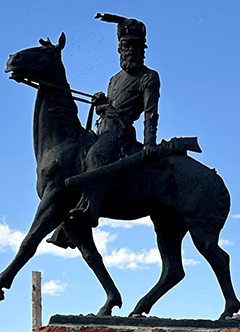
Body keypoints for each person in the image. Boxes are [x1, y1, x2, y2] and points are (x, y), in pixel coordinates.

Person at [68, 13, 160, 226]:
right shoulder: (114, 79)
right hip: (103, 129)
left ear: (142, 50)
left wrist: (149, 144)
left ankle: (91, 208)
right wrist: (101, 102)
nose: (129, 50)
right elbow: (109, 107)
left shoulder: (149, 77)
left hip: (120, 133)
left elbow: (150, 113)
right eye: (125, 46)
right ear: (119, 49)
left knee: (96, 155)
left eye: (134, 46)